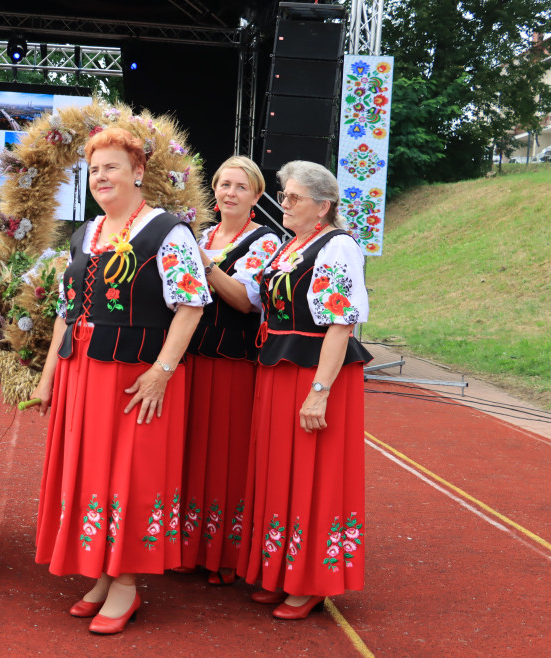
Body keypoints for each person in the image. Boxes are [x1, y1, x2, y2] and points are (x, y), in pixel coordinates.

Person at [30, 127, 209, 634]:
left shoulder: (168, 231)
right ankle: (105, 575)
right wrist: (48, 378)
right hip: (82, 371)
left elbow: (191, 306)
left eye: (111, 166)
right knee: (91, 471)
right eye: (94, 170)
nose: (101, 177)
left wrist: (161, 373)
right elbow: (68, 311)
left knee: (131, 474)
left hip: (135, 378)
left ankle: (127, 584)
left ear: (138, 172)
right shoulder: (85, 233)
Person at [236, 160, 371, 619]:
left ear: (323, 206)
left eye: (293, 197)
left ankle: (314, 578)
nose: (284, 204)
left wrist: (320, 390)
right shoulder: (294, 245)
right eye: (284, 195)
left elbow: (341, 322)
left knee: (315, 474)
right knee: (280, 471)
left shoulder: (337, 248)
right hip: (278, 368)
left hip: (313, 372)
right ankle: (281, 570)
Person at [179, 156, 280, 583]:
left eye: (240, 186)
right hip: (191, 355)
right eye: (223, 184)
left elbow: (244, 300)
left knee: (226, 452)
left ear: (257, 195)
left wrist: (202, 261)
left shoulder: (266, 242)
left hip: (233, 361)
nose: (229, 193)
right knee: (190, 448)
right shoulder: (203, 234)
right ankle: (185, 547)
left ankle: (224, 552)